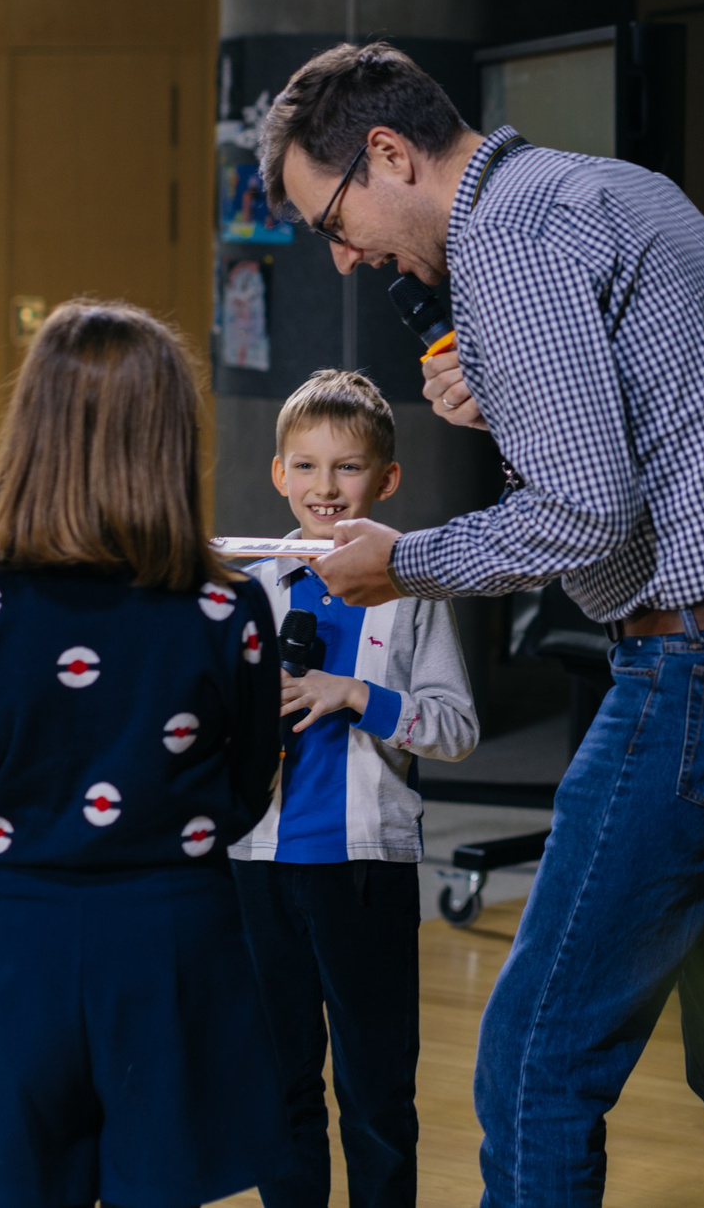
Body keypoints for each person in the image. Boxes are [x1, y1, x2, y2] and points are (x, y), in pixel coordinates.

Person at [254, 42, 704, 1207]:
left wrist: (404, 564)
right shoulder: (608, 190)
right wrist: (518, 397)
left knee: (536, 1055)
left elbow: (585, 516)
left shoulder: (505, 243)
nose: (343, 257)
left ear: (387, 154)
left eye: (332, 218)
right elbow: (669, 427)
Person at [0, 299, 289, 1208]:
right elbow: (248, 789)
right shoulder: (229, 612)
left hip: (22, 958)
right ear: (172, 440)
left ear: (31, 432)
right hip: (176, 953)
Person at [229, 368, 479, 1208]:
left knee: (375, 1096)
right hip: (255, 867)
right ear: (278, 474)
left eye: (347, 468)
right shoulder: (247, 591)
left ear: (387, 479)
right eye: (305, 466)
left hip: (364, 869)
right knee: (275, 1085)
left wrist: (356, 694)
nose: (324, 487)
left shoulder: (412, 593)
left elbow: (455, 725)